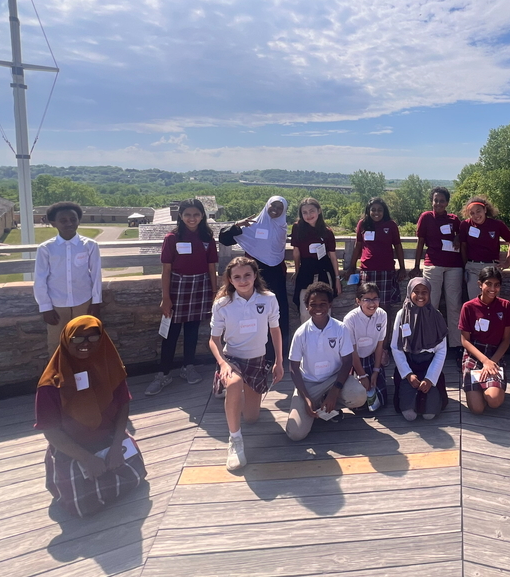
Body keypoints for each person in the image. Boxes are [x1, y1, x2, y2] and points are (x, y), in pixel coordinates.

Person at [35, 316, 146, 517]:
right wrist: (87, 459)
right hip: (72, 446)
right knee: (81, 505)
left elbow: (123, 404)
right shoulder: (51, 384)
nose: (85, 344)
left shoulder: (111, 368)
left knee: (137, 476)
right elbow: (50, 431)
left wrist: (116, 447)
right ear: (66, 340)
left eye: (93, 337)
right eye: (77, 338)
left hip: (109, 438)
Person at [209, 257, 285, 471]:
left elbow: (275, 330)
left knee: (251, 418)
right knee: (234, 384)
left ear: (255, 276)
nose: (243, 281)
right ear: (230, 279)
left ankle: (233, 394)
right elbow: (214, 340)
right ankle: (235, 440)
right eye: (237, 277)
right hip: (232, 359)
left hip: (257, 360)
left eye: (247, 275)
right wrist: (223, 364)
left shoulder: (268, 299)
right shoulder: (222, 304)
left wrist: (279, 362)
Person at [147, 199, 218, 395]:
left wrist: (214, 293)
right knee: (170, 332)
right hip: (177, 288)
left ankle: (188, 366)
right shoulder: (172, 238)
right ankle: (163, 373)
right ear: (180, 216)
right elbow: (166, 270)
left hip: (200, 286)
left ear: (202, 216)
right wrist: (166, 297)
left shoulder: (207, 238)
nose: (192, 218)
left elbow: (211, 267)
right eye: (187, 214)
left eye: (196, 214)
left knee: (192, 330)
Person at [286, 282, 367, 441]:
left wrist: (335, 391)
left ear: (330, 304)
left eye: (323, 304)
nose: (318, 308)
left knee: (359, 395)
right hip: (309, 383)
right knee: (295, 434)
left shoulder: (340, 328)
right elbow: (294, 367)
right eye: (313, 304)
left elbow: (347, 361)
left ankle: (329, 404)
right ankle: (314, 404)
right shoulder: (301, 333)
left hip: (333, 379)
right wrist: (306, 397)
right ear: (306, 306)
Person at [218, 195, 291, 345]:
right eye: (273, 205)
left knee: (277, 311)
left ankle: (278, 350)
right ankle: (253, 348)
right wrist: (237, 225)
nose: (275, 210)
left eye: (280, 208)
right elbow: (224, 238)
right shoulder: (252, 226)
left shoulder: (282, 227)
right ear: (267, 205)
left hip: (276, 273)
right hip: (254, 273)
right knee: (254, 310)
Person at [33, 202, 103, 350]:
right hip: (57, 305)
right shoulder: (46, 248)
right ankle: (59, 366)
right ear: (53, 223)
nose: (69, 223)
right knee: (57, 343)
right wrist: (45, 307)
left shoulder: (90, 245)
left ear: (79, 221)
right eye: (63, 220)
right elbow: (40, 279)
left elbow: (96, 275)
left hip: (84, 301)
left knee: (85, 340)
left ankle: (83, 365)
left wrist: (96, 302)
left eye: (73, 219)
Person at [412, 186, 464, 349]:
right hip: (433, 264)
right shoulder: (426, 217)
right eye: (436, 200)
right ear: (431, 201)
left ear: (447, 203)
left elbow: (462, 234)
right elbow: (420, 242)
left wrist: (458, 236)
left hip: (454, 266)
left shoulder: (454, 219)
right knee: (430, 305)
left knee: (454, 306)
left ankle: (456, 345)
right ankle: (429, 344)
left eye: (442, 201)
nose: (438, 203)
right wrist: (416, 266)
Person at [392, 277, 449, 421]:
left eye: (424, 292)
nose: (420, 296)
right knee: (409, 415)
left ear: (430, 293)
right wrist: (408, 374)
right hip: (409, 365)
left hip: (429, 366)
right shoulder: (401, 315)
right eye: (416, 291)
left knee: (429, 414)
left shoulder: (436, 316)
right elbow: (396, 347)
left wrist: (430, 378)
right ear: (409, 292)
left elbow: (441, 350)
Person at [459, 265, 510, 414]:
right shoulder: (468, 307)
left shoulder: (505, 306)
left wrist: (491, 362)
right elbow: (465, 341)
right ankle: (480, 387)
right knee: (477, 409)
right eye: (488, 284)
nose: (492, 289)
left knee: (494, 401)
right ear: (480, 284)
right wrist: (484, 361)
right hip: (474, 353)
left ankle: (491, 387)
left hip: (495, 353)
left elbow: (506, 340)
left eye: (496, 285)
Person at [344, 197, 406, 312]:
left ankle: (385, 325)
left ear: (384, 211)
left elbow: (398, 246)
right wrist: (352, 267)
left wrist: (402, 268)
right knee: (366, 305)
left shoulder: (391, 225)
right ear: (368, 211)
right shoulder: (363, 224)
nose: (376, 213)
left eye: (379, 210)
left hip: (386, 270)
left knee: (385, 306)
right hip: (367, 270)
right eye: (373, 210)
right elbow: (358, 245)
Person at [290, 197, 342, 323]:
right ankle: (306, 334)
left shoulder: (327, 231)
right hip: (306, 271)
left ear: (319, 211)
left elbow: (333, 256)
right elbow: (296, 252)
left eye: (311, 211)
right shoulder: (297, 228)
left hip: (324, 271)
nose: (308, 215)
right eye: (305, 212)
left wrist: (337, 279)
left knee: (325, 309)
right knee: (305, 310)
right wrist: (297, 270)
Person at [343, 281, 389, 412]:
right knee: (358, 401)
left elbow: (379, 345)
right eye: (367, 299)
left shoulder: (382, 315)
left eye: (375, 299)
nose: (372, 303)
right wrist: (362, 376)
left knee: (381, 399)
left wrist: (376, 371)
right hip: (353, 361)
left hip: (372, 358)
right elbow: (352, 351)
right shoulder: (350, 319)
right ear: (358, 301)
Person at [458, 196, 510, 289]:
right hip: (472, 267)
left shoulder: (497, 224)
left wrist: (508, 262)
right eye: (472, 213)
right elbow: (463, 246)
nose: (476, 215)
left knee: (491, 295)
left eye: (478, 211)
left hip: (492, 268)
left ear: (485, 210)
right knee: (474, 297)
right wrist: (466, 265)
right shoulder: (465, 225)